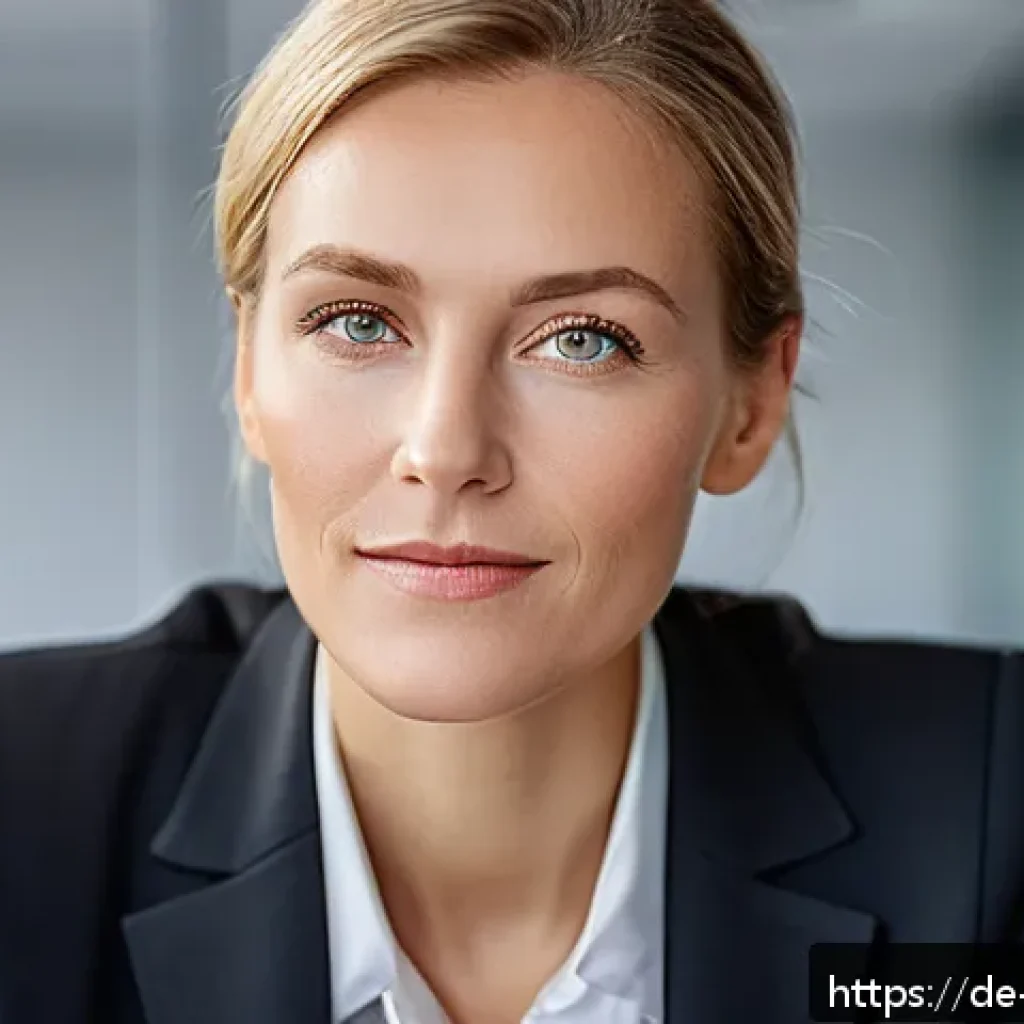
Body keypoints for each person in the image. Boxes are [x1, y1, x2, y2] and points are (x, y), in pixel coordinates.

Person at [1, 0, 1022, 1022]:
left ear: (751, 403)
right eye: (358, 323)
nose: (445, 452)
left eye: (583, 339)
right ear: (248, 370)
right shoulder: (27, 806)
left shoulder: (989, 817)